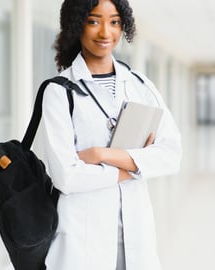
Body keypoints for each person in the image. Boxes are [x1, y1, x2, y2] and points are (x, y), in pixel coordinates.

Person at [41, 0, 182, 269]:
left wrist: (100, 155)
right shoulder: (59, 92)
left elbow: (171, 155)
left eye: (115, 22)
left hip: (135, 238)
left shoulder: (140, 85)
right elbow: (67, 176)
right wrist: (135, 165)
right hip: (84, 241)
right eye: (94, 21)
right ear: (77, 23)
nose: (106, 32)